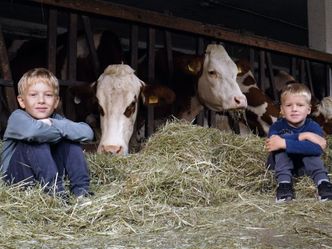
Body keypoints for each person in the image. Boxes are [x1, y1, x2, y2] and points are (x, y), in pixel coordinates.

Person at [0, 68, 94, 199]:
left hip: (46, 173)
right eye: (33, 95)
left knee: (70, 142)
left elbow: (87, 133)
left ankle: (81, 192)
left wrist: (53, 123)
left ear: (56, 102)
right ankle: (57, 195)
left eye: (48, 95)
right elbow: (32, 132)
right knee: (36, 142)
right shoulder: (17, 117)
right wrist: (63, 131)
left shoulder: (56, 119)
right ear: (21, 101)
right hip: (17, 178)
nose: (41, 101)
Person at [265, 83, 332, 203]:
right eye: (289, 105)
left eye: (300, 105)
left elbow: (317, 149)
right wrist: (304, 137)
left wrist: (286, 141)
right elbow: (274, 144)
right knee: (282, 149)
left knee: (307, 151)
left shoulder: (313, 127)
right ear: (281, 110)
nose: (294, 109)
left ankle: (323, 184)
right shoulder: (276, 126)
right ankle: (284, 185)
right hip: (280, 168)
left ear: (308, 109)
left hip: (304, 168)